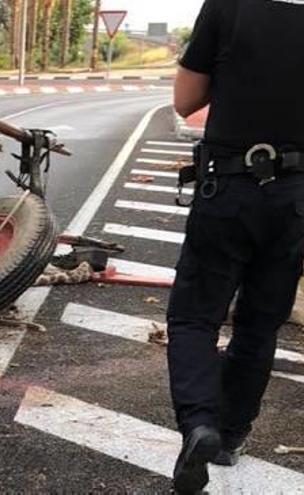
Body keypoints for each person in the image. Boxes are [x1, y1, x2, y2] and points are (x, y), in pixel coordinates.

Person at [168, 0, 304, 493]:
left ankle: (199, 423)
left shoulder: (229, 5)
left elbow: (185, 100)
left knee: (193, 317)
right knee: (260, 322)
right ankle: (230, 435)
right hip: (294, 197)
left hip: (228, 186)